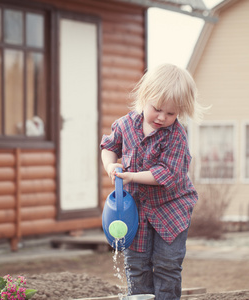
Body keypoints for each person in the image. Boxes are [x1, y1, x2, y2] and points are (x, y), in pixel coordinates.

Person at [100, 63, 205, 300]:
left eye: (171, 113)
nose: (162, 117)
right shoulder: (125, 125)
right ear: (144, 97)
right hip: (136, 209)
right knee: (136, 264)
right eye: (157, 109)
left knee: (167, 264)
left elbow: (166, 173)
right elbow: (108, 146)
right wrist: (110, 165)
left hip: (171, 208)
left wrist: (131, 176)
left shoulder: (176, 136)